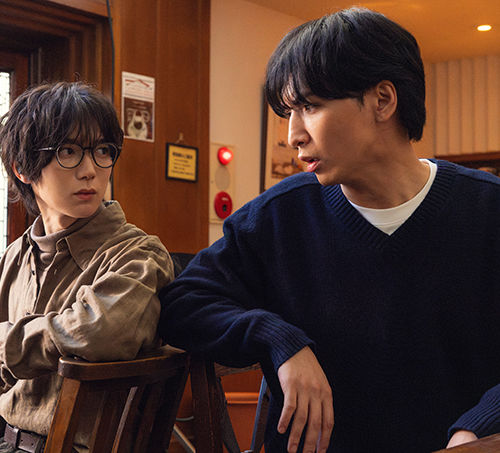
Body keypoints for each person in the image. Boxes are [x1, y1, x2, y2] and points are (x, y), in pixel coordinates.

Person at [158, 7, 500, 453]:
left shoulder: (487, 211)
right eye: (288, 112)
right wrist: (279, 338)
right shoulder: (279, 216)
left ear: (382, 100)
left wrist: (479, 427)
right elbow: (181, 303)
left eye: (309, 106)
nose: (292, 134)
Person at [0, 81, 174, 453]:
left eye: (102, 151)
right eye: (68, 152)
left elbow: (96, 332)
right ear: (23, 169)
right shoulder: (15, 259)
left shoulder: (138, 255)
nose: (90, 170)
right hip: (6, 443)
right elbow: (2, 390)